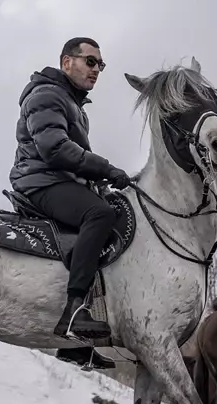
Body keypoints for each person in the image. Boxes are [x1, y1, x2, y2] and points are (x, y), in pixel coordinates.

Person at [9, 37, 132, 345]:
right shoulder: (47, 95)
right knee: (100, 214)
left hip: (57, 180)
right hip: (40, 181)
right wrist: (105, 169)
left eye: (100, 65)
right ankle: (75, 310)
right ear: (67, 62)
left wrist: (99, 181)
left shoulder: (71, 102)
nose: (96, 70)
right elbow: (55, 149)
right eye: (91, 62)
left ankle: (76, 347)